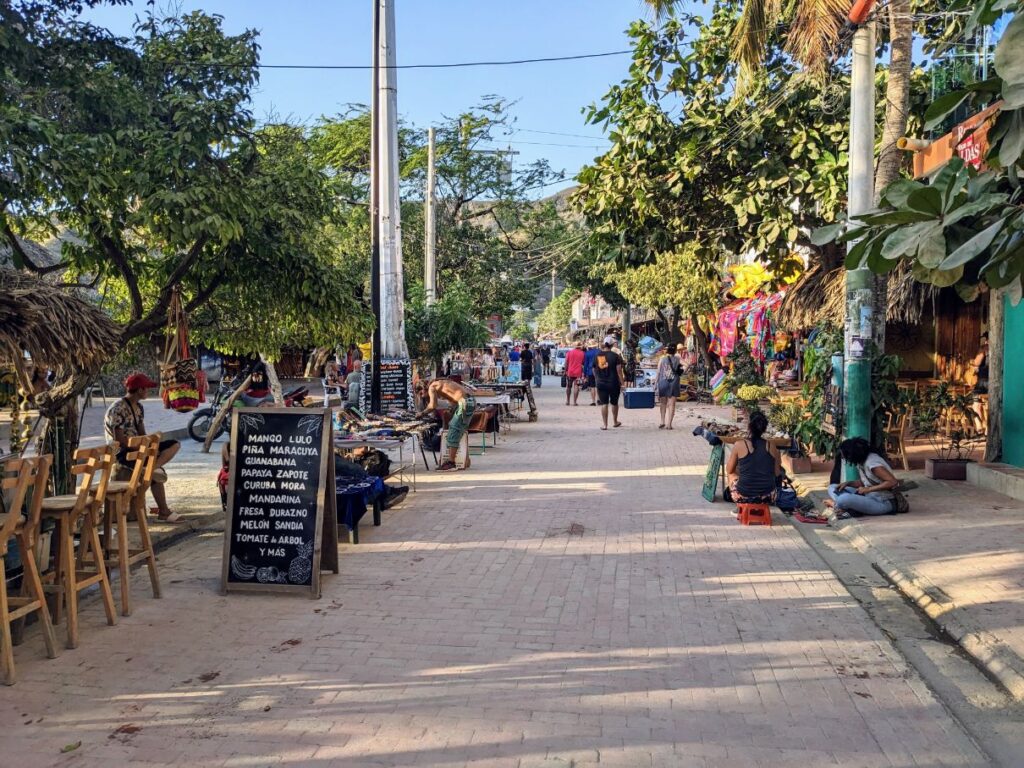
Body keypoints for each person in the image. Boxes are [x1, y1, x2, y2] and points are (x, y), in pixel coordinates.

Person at [104, 373, 182, 523]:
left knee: (174, 445)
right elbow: (120, 440)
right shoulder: (117, 409)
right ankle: (163, 510)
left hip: (139, 447)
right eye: (146, 388)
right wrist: (143, 447)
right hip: (124, 453)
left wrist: (151, 444)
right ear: (139, 390)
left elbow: (142, 432)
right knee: (154, 474)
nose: (147, 391)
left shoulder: (139, 407)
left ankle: (152, 468)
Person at [825, 437, 899, 517]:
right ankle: (849, 508)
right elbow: (865, 482)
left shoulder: (872, 463)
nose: (843, 458)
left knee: (843, 499)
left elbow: (892, 482)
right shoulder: (861, 461)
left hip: (883, 502)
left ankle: (836, 505)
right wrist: (848, 483)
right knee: (833, 487)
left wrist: (868, 489)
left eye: (844, 456)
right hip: (868, 495)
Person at [725, 410, 781, 511]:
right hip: (769, 496)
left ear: (749, 427)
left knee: (731, 474)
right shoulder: (772, 446)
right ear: (764, 428)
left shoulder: (739, 444)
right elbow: (777, 473)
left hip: (743, 495)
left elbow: (729, 470)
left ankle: (739, 508)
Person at [417, 379, 477, 471]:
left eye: (421, 393)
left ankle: (451, 463)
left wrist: (421, 413)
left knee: (453, 431)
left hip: (464, 403)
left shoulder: (432, 387)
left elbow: (433, 405)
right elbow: (454, 396)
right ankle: (466, 460)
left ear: (423, 389)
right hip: (468, 401)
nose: (422, 396)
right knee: (459, 432)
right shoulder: (440, 382)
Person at [593, 336, 626, 430]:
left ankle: (605, 425)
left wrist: (597, 378)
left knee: (604, 403)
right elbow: (619, 370)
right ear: (612, 345)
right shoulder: (615, 356)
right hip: (613, 383)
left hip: (601, 383)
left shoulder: (598, 355)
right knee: (614, 403)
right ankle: (615, 422)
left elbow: (594, 369)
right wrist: (622, 383)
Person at [655, 343, 682, 429]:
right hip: (674, 383)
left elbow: (658, 372)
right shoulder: (678, 359)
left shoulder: (662, 359)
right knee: (672, 404)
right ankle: (669, 424)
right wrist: (681, 372)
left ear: (667, 351)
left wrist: (655, 384)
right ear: (675, 351)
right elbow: (687, 365)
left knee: (663, 403)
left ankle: (662, 421)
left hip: (663, 382)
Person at [564, 341, 586, 406]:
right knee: (576, 386)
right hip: (578, 372)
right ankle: (574, 402)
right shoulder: (582, 353)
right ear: (580, 347)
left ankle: (568, 401)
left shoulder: (569, 353)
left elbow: (566, 363)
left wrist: (565, 370)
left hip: (570, 372)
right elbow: (583, 363)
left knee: (569, 386)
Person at [583, 340, 600, 406]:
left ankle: (593, 401)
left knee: (592, 387)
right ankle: (599, 399)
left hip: (590, 372)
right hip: (599, 371)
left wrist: (584, 373)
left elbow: (585, 364)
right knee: (598, 386)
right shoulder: (600, 351)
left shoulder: (587, 353)